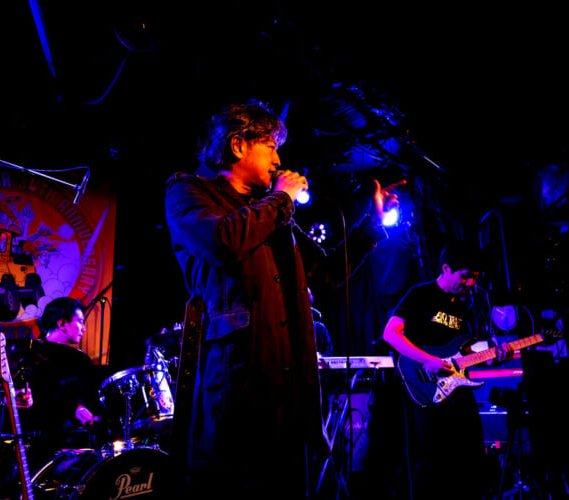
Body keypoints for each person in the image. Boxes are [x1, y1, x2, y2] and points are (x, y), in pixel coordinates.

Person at [164, 99, 400, 499]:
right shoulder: (189, 190)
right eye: (271, 147)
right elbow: (221, 242)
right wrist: (280, 199)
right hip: (238, 383)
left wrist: (372, 227)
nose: (278, 160)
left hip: (293, 385)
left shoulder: (268, 210)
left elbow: (325, 273)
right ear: (238, 145)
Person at [381, 240, 514, 499]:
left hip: (458, 389)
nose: (470, 283)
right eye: (465, 276)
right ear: (446, 268)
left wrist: (496, 357)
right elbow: (391, 333)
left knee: (471, 458)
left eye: (474, 277)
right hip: (425, 385)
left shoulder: (466, 307)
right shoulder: (420, 294)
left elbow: (470, 353)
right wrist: (426, 359)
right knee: (433, 463)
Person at [19, 297, 103, 471]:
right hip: (35, 446)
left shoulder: (80, 361)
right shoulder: (29, 357)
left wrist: (82, 409)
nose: (84, 328)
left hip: (70, 445)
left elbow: (76, 398)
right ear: (62, 324)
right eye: (80, 322)